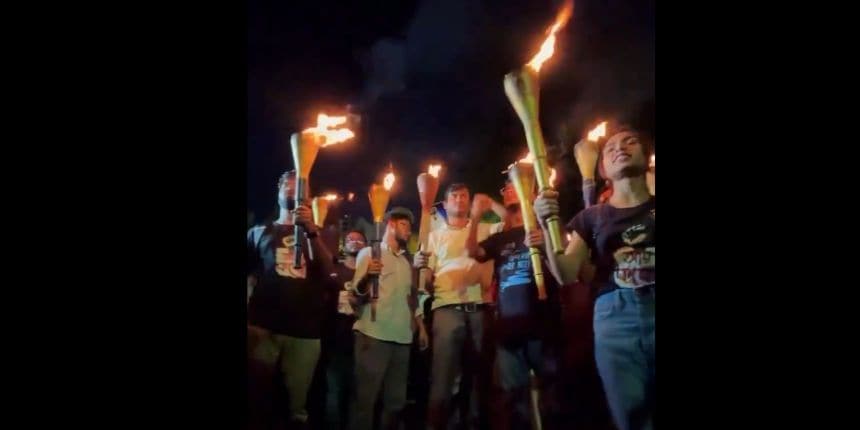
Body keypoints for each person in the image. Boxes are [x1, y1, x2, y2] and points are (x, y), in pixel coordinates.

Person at [534, 123, 655, 430]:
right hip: (615, 320)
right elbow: (565, 273)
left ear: (646, 155)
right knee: (630, 417)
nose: (620, 149)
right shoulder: (591, 217)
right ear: (603, 169)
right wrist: (547, 223)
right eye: (611, 148)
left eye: (630, 143)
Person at [247, 170, 337, 430]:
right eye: (287, 183)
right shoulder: (258, 232)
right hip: (263, 330)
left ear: (307, 196)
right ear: (278, 189)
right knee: (258, 399)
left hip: (304, 334)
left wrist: (310, 230)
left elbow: (330, 273)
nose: (292, 188)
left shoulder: (323, 234)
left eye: (299, 186)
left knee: (295, 408)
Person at [467, 183, 561, 430]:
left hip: (542, 323)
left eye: (515, 187)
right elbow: (473, 251)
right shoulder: (500, 238)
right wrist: (475, 216)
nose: (509, 191)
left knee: (551, 391)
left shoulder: (545, 228)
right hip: (509, 328)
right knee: (514, 396)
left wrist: (544, 245)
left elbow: (565, 268)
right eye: (506, 188)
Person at [413, 183, 505, 430]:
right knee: (443, 375)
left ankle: (475, 422)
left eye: (464, 195)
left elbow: (512, 220)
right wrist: (420, 268)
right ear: (444, 204)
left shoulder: (486, 229)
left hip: (480, 307)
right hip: (447, 308)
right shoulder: (433, 236)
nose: (460, 199)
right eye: (454, 196)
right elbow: (426, 280)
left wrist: (488, 202)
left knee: (480, 375)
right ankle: (437, 424)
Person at [348, 207, 430, 430]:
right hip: (373, 335)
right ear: (391, 224)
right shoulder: (370, 253)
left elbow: (412, 299)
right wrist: (367, 277)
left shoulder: (407, 263)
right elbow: (355, 297)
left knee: (396, 402)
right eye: (404, 225)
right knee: (365, 400)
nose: (408, 231)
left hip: (402, 340)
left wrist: (421, 327)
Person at [321, 229, 367, 430]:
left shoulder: (370, 273)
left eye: (359, 239)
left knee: (360, 392)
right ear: (343, 245)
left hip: (365, 339)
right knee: (335, 390)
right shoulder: (334, 271)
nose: (354, 242)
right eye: (350, 239)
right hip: (337, 339)